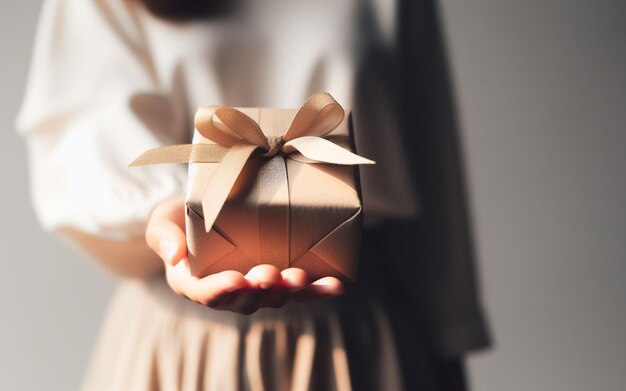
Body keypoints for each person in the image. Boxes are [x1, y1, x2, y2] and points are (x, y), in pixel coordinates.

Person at [16, 0, 491, 389]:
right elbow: (80, 129)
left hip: (358, 339)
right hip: (181, 346)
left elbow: (430, 144)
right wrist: (166, 211)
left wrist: (449, 335)